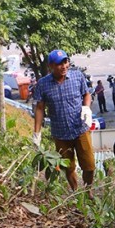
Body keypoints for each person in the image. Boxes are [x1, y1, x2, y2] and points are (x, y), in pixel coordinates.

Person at [32, 49, 95, 191]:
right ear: (51, 66)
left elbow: (87, 94)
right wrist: (37, 133)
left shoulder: (77, 76)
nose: (64, 66)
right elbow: (40, 108)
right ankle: (75, 192)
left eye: (65, 62)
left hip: (80, 129)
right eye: (59, 64)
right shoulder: (43, 84)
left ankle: (88, 190)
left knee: (89, 165)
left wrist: (86, 108)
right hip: (60, 133)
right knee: (68, 166)